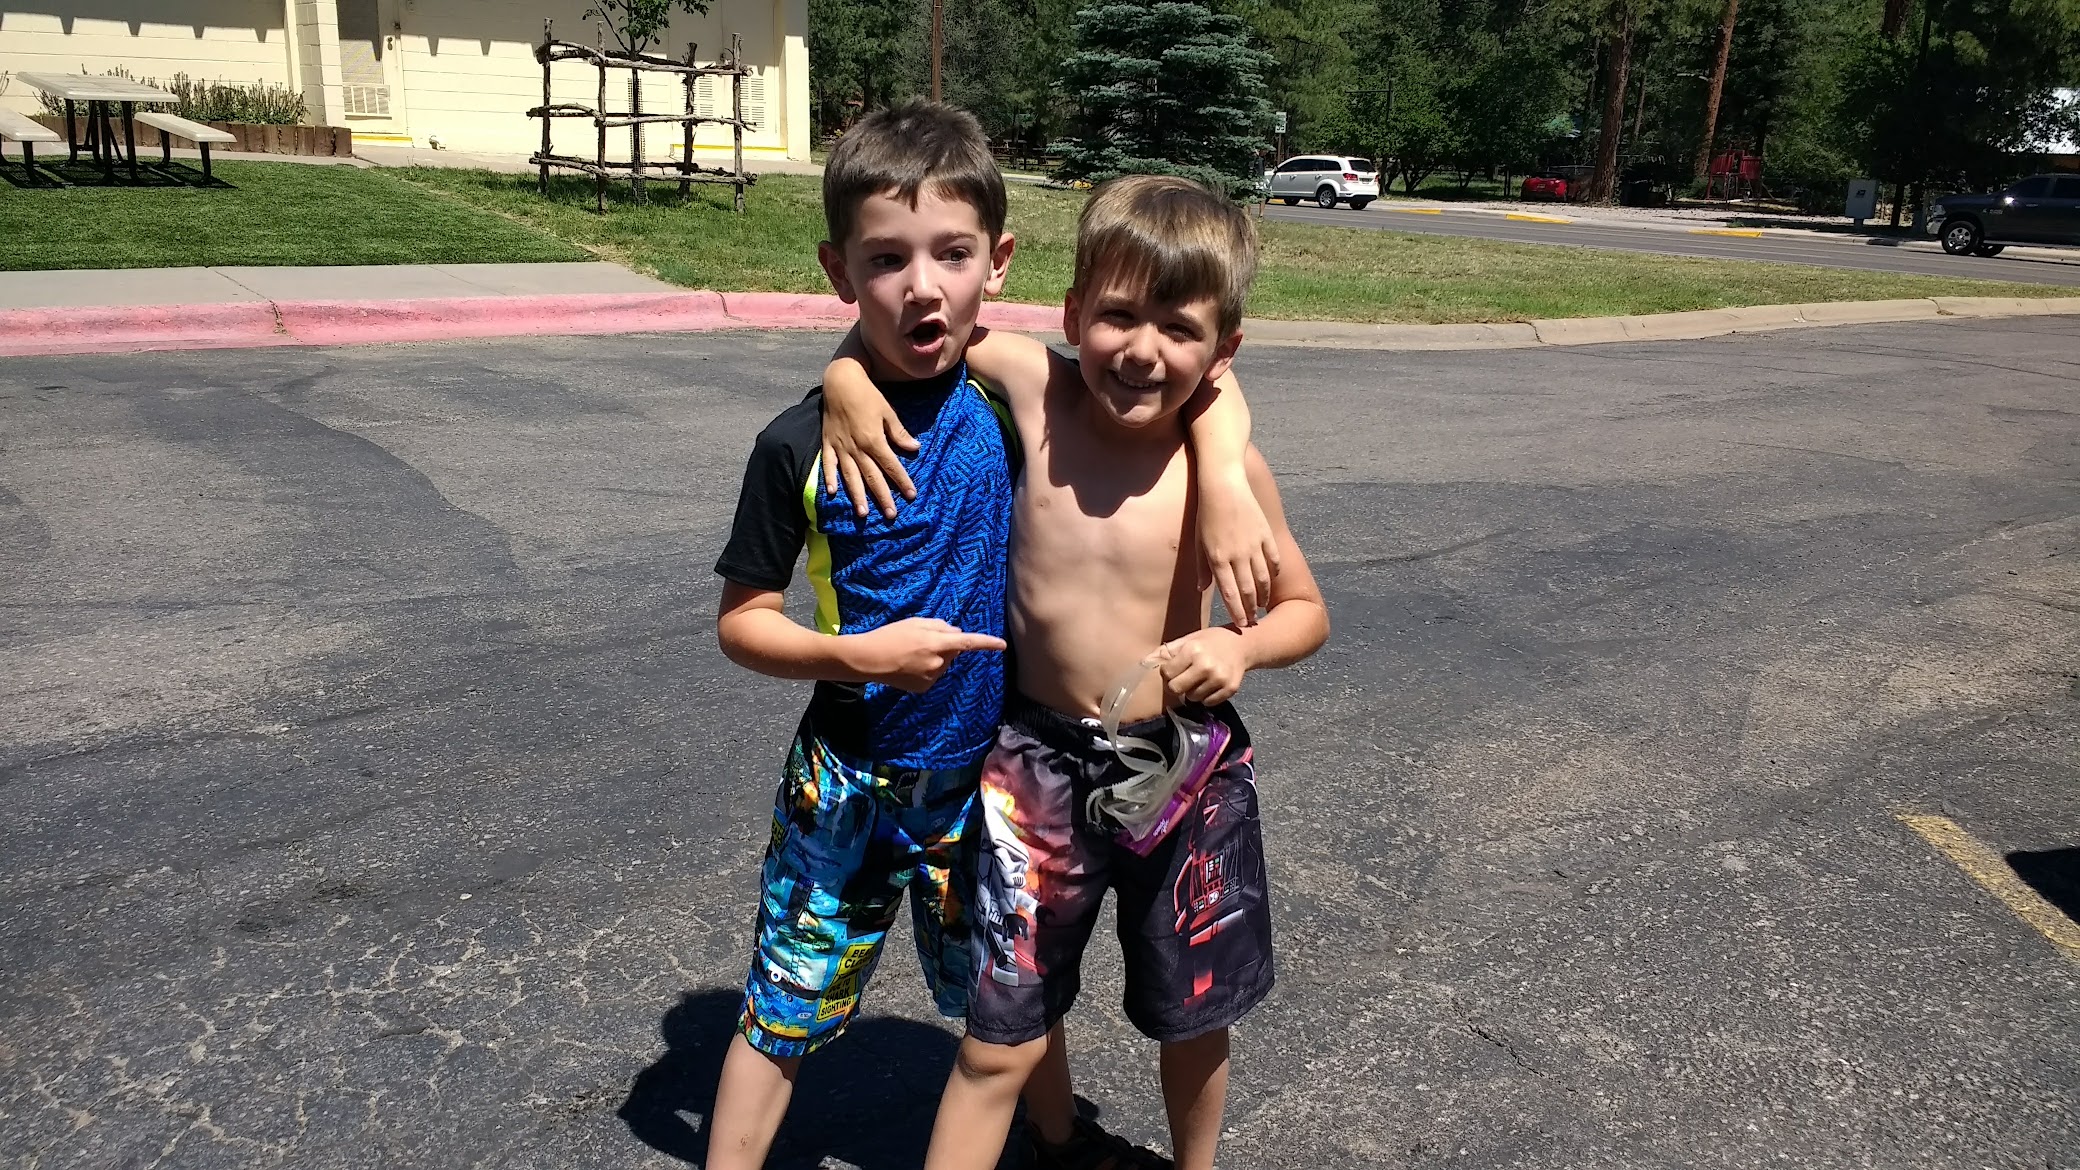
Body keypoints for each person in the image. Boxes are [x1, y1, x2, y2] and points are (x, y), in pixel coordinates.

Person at [709, 102, 1269, 1170]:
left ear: (996, 264)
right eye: (887, 260)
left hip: (987, 777)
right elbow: (741, 620)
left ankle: (1058, 1141)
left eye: (952, 255)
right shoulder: (808, 441)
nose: (921, 285)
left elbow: (1194, 370)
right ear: (842, 271)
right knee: (785, 999)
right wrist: (841, 382)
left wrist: (1229, 478)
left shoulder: (1006, 403)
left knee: (1007, 1000)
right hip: (849, 779)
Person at [844, 173, 1330, 1170]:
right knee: (1005, 1019)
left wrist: (1240, 644)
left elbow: (1306, 611)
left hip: (1181, 769)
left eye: (1178, 329)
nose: (1142, 349)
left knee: (1194, 1010)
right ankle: (1058, 1142)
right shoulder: (1037, 388)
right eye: (1117, 316)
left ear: (1222, 352)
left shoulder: (1225, 474)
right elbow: (917, 330)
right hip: (1035, 766)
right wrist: (848, 377)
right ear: (1071, 315)